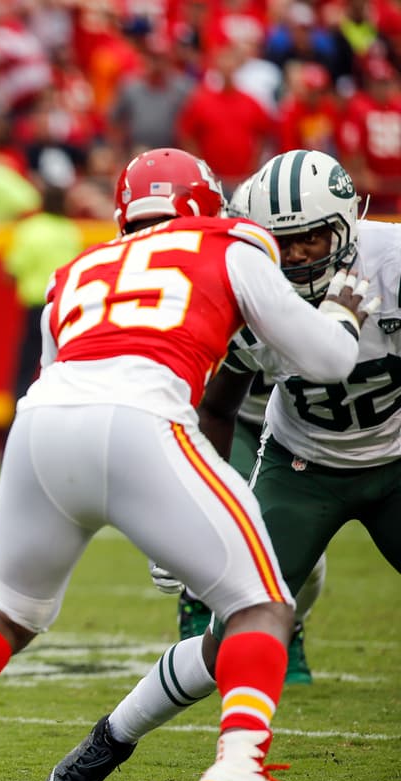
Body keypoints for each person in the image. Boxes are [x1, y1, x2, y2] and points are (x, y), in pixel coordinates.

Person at [0, 148, 373, 781]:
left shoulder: (76, 272)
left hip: (42, 428)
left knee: (9, 613)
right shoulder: (229, 240)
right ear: (207, 204)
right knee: (263, 604)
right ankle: (242, 763)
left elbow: (63, 372)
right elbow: (329, 361)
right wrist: (339, 309)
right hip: (143, 419)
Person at [38, 149, 398, 781]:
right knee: (231, 629)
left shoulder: (394, 262)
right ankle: (106, 741)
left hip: (398, 458)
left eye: (312, 239)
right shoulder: (247, 278)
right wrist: (188, 501)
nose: (294, 257)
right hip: (304, 467)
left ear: (349, 223)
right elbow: (216, 408)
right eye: (281, 241)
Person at [168, 175, 320, 684]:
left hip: (290, 421)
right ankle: (198, 612)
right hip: (225, 417)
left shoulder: (329, 278)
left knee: (301, 559)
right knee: (211, 519)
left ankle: (289, 625)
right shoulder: (200, 274)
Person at [2, 182, 85, 401]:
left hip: (35, 307)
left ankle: (17, 419)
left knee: (26, 369)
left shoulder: (29, 229)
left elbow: (11, 271)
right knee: (61, 366)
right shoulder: (70, 230)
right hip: (64, 308)